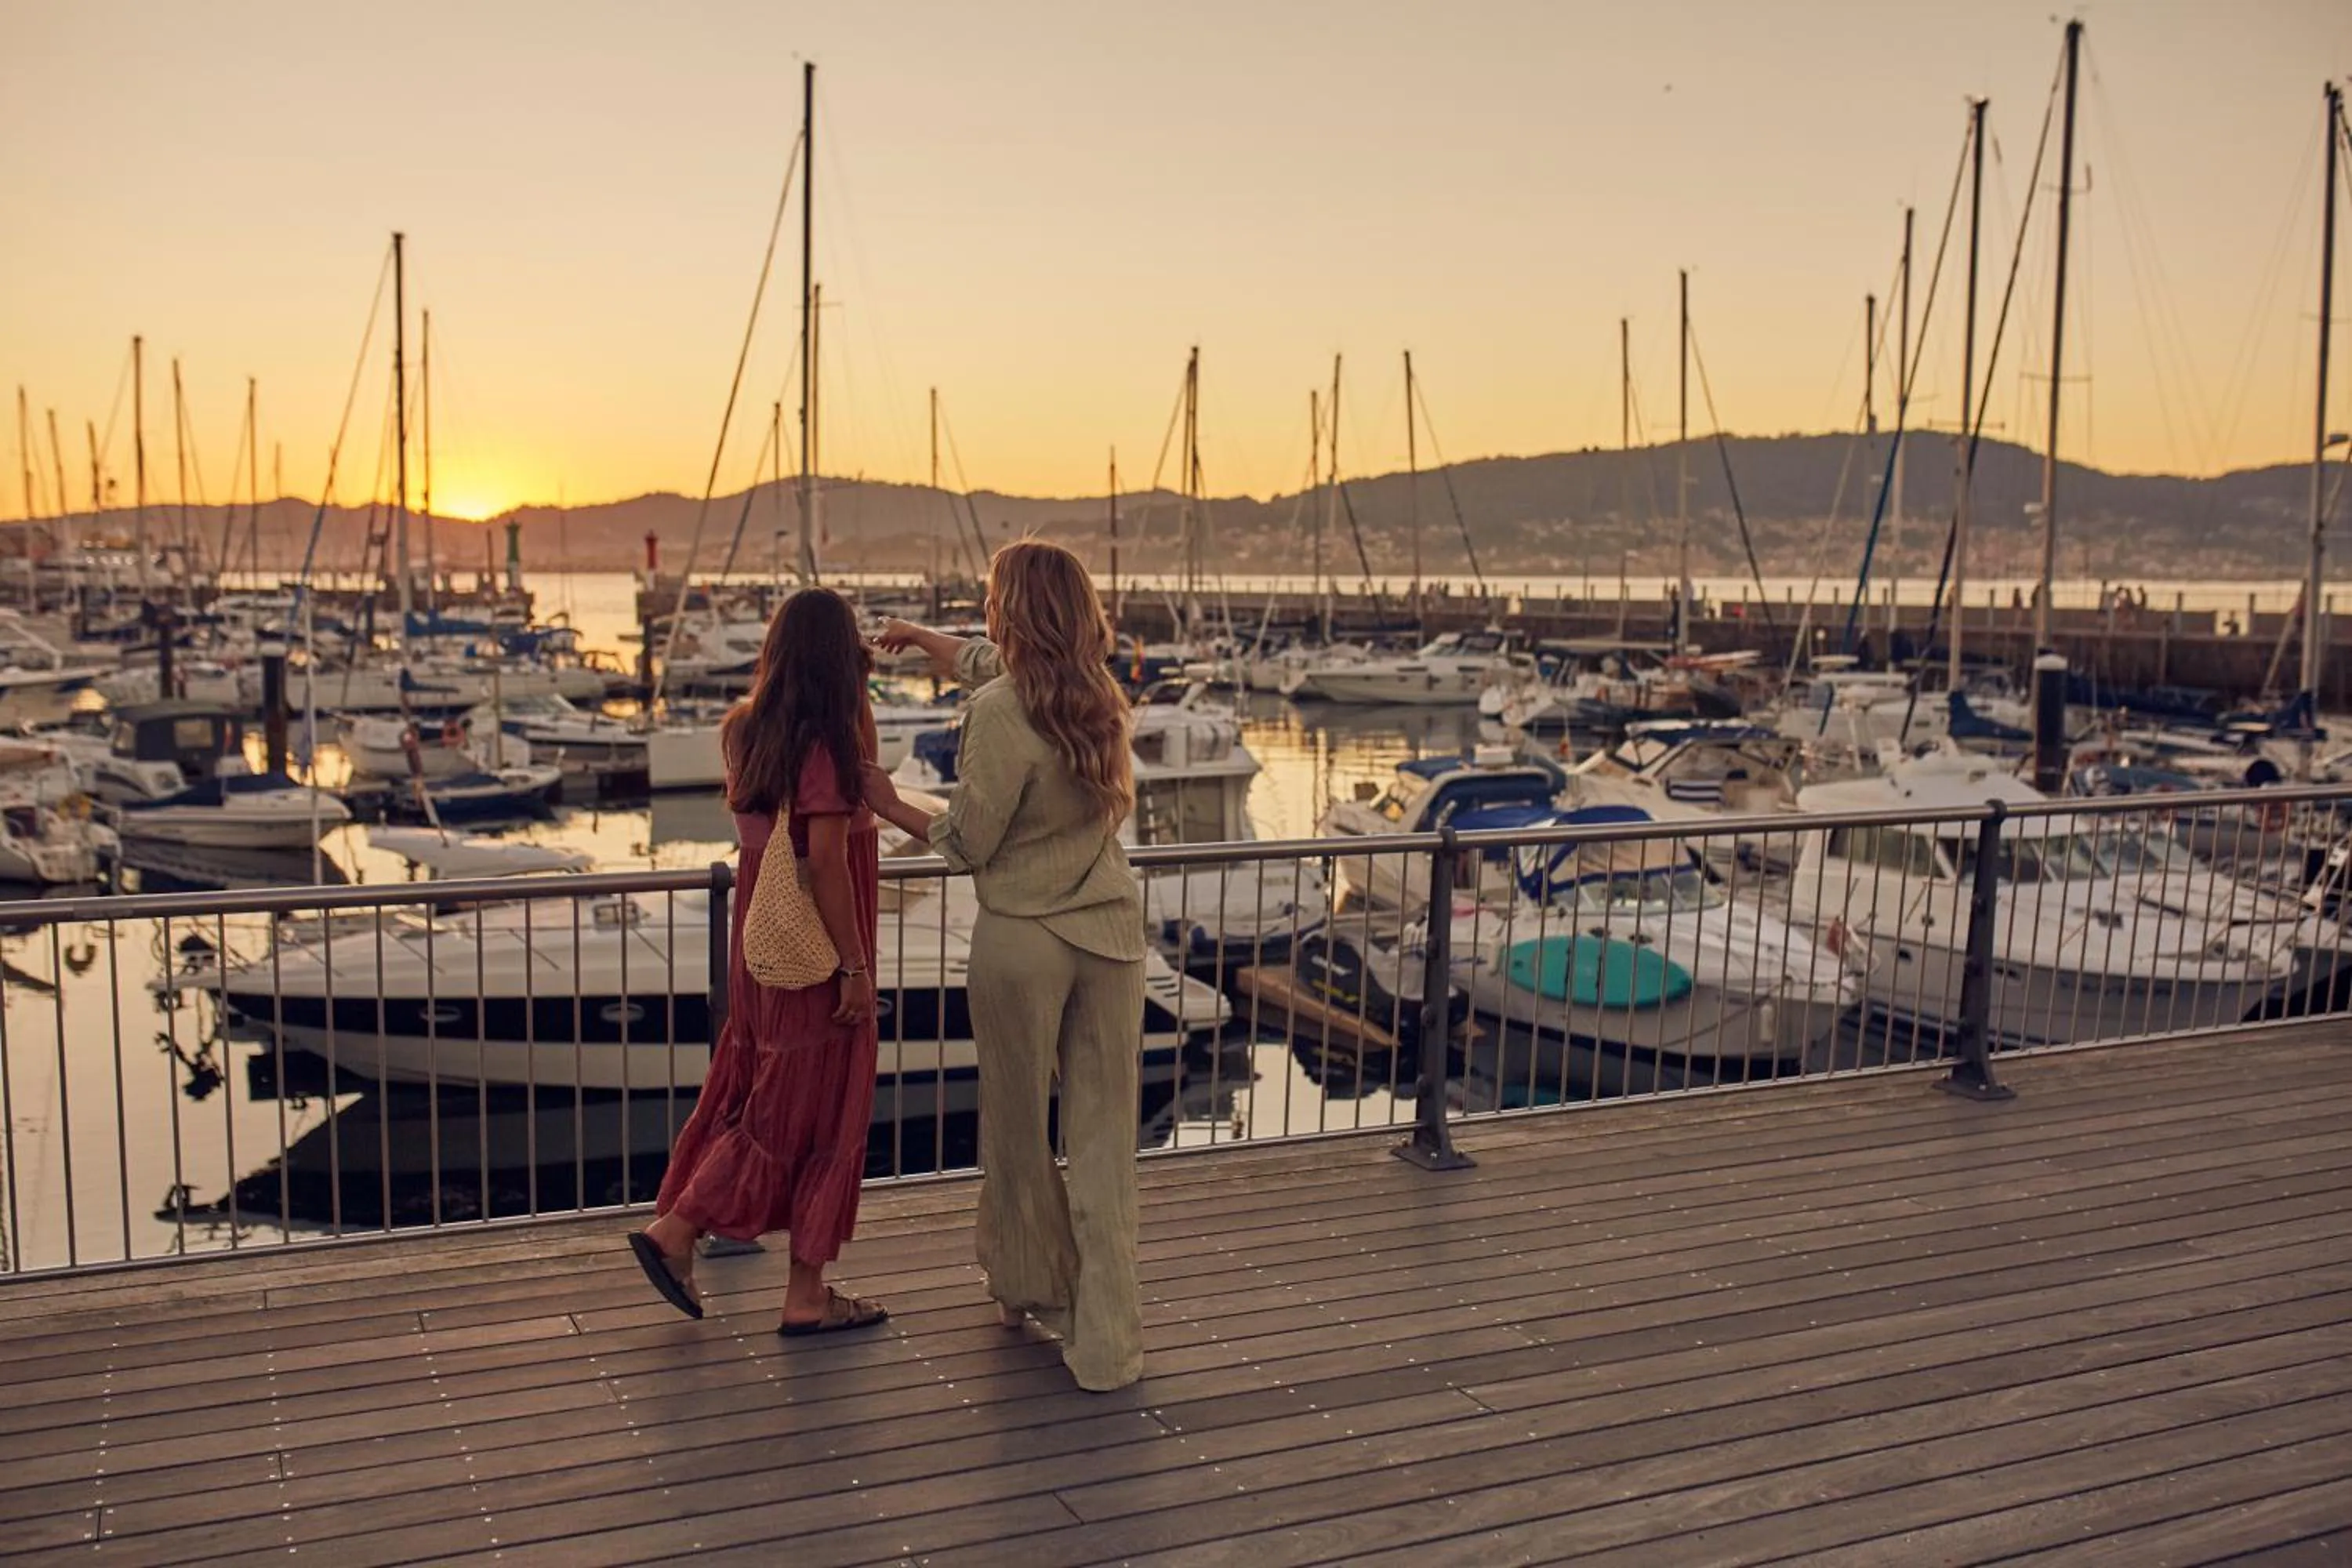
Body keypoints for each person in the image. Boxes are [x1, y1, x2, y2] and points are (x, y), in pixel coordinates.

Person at [863, 539, 1148, 1392]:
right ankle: (1108, 1345)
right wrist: (922, 638)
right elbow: (991, 662)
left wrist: (888, 801)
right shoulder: (1098, 696)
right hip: (1109, 935)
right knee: (1105, 1144)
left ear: (1010, 609)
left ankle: (1031, 1286)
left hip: (1022, 936)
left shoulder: (998, 709)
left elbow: (968, 841)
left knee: (1019, 1130)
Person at [626, 587, 887, 1337]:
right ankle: (685, 1232)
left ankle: (800, 1285)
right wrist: (854, 969)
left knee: (769, 1099)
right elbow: (828, 862)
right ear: (840, 658)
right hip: (818, 952)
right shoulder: (828, 743)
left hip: (764, 942)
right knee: (812, 1110)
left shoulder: (744, 729)